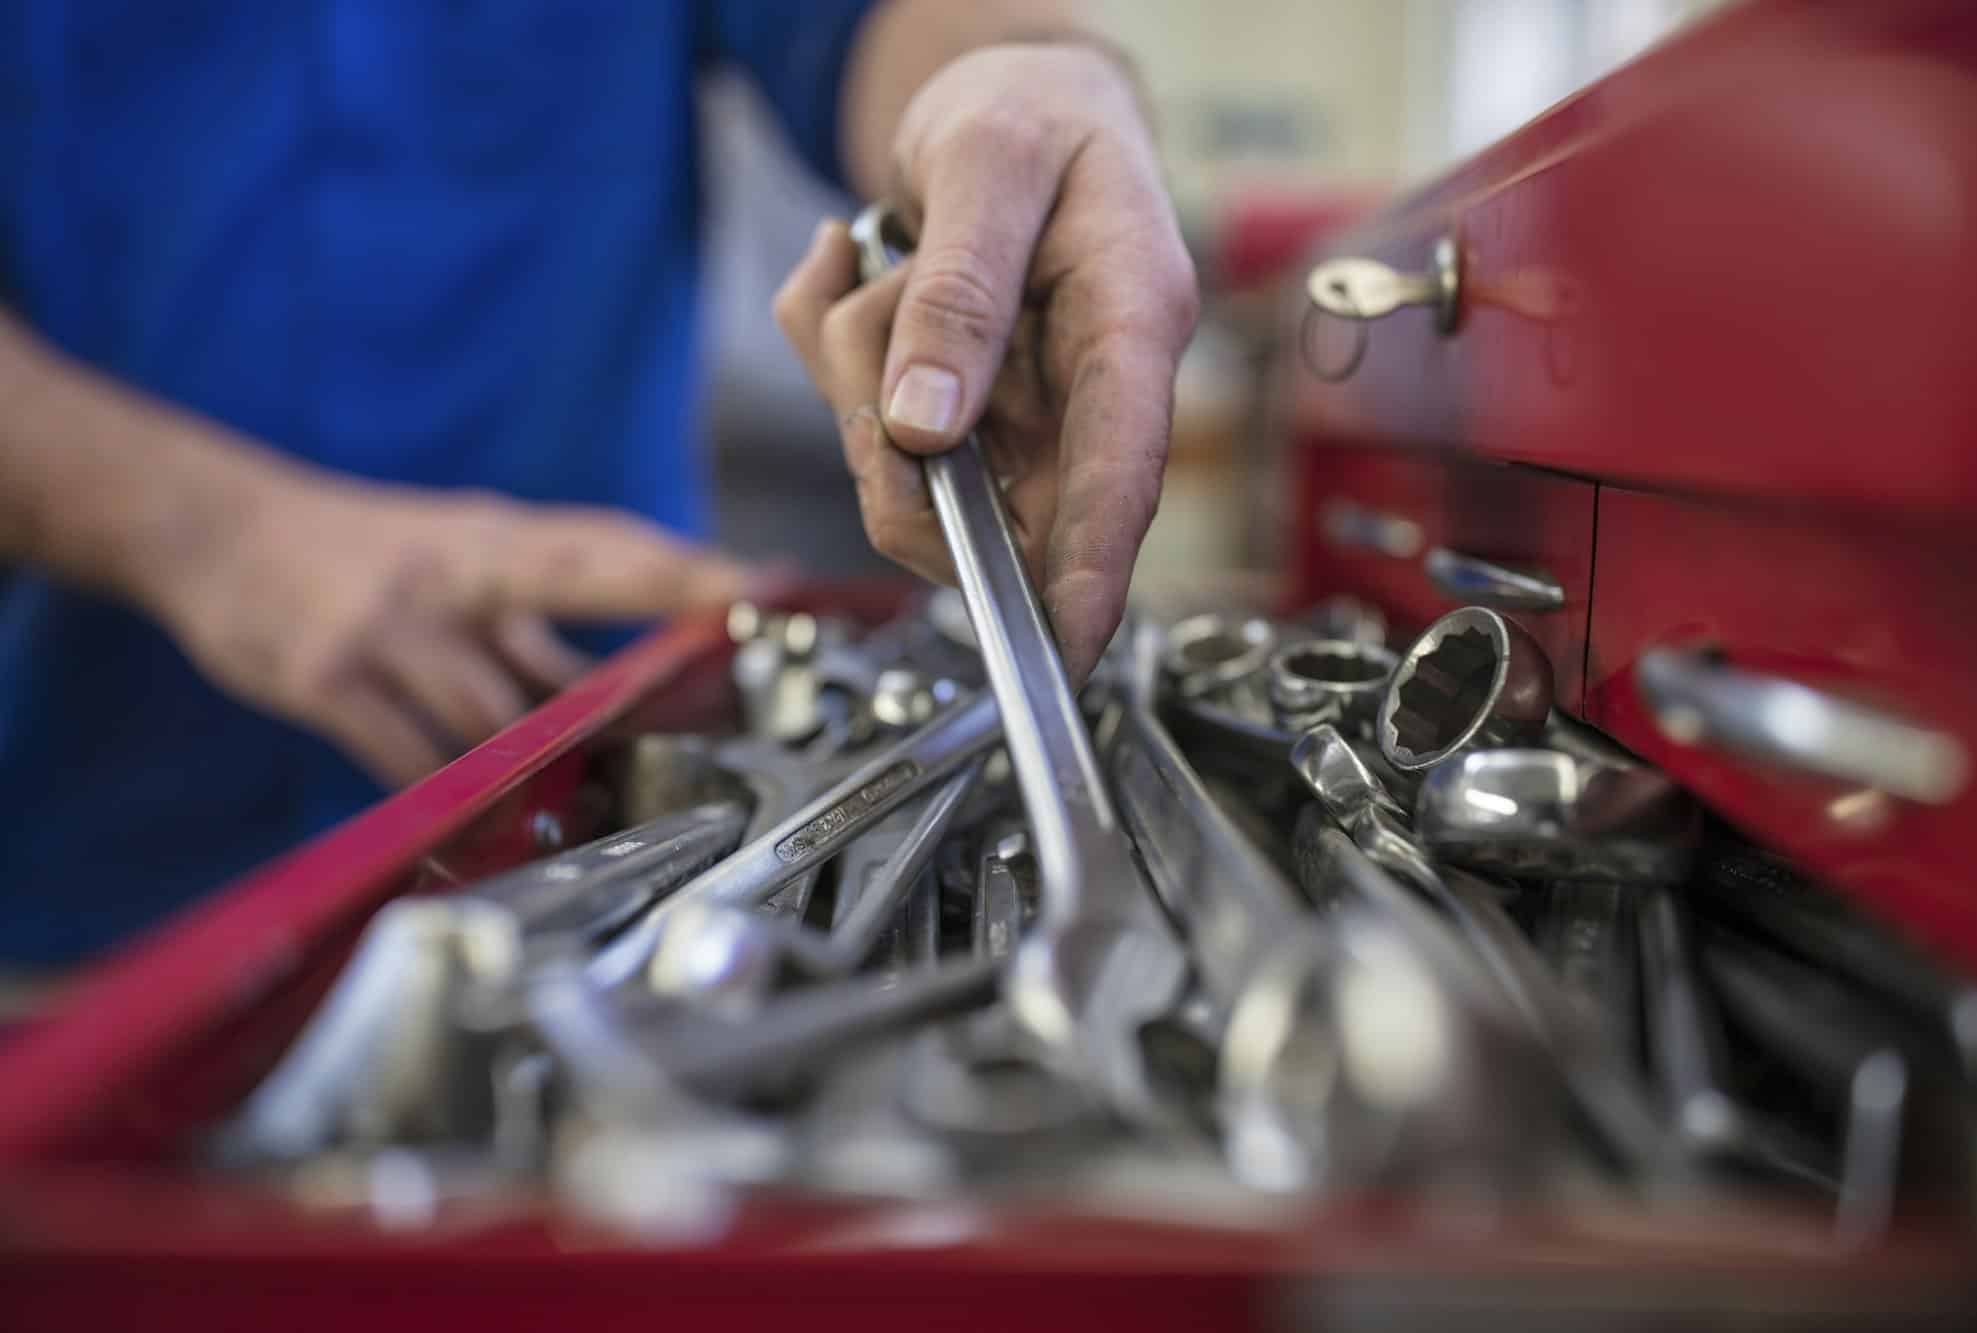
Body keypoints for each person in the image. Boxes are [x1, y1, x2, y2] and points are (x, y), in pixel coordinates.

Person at [0, 2, 1196, 965]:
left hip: (611, 811)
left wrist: (1016, 83)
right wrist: (205, 530)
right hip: (82, 870)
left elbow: (885, 22)